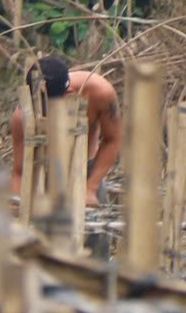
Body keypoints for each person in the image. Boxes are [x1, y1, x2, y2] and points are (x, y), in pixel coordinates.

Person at [10, 56, 123, 207]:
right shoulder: (23, 116)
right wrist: (17, 203)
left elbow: (113, 139)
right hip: (44, 171)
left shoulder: (100, 93)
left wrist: (91, 188)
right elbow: (20, 171)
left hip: (85, 171)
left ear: (69, 94)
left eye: (49, 106)